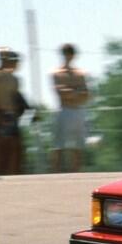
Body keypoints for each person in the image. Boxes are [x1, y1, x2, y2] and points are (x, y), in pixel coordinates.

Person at [51, 43, 89, 172]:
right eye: (66, 53)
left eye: (71, 53)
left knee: (78, 145)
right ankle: (56, 171)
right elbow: (61, 92)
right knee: (59, 145)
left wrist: (72, 92)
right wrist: (77, 91)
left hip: (78, 110)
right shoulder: (57, 73)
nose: (69, 56)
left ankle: (76, 171)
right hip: (64, 110)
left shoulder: (80, 74)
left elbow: (86, 94)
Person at [0, 48, 21, 174]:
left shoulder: (14, 78)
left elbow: (16, 98)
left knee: (15, 152)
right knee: (0, 152)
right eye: (2, 56)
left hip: (12, 116)